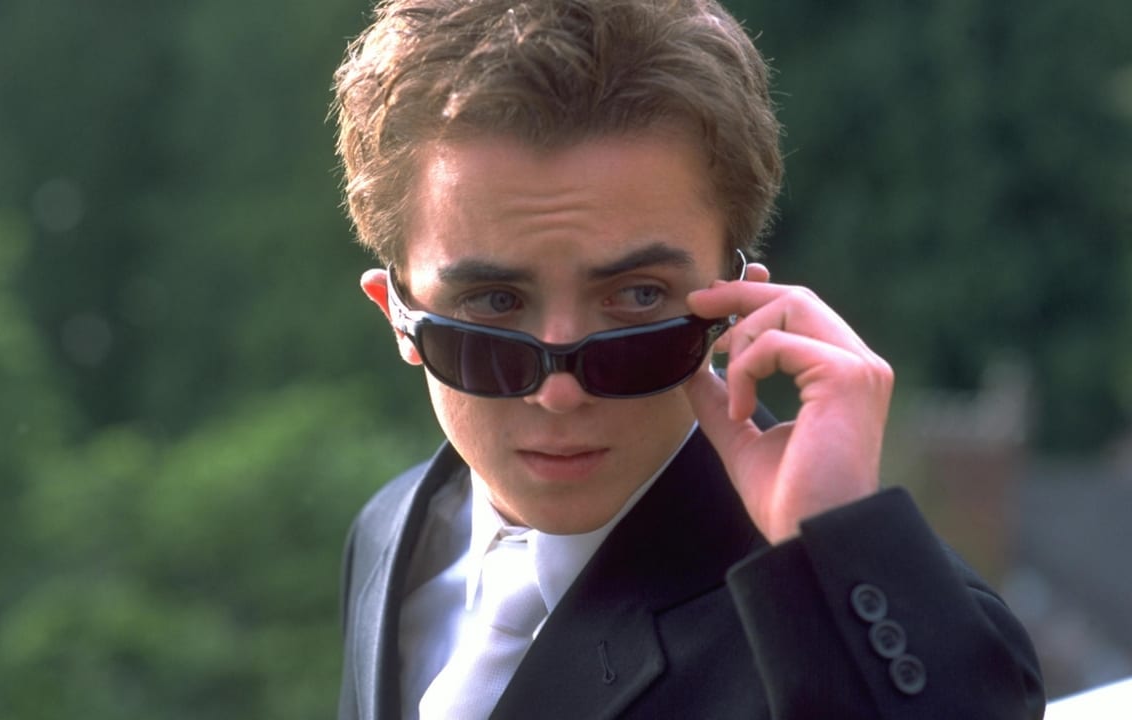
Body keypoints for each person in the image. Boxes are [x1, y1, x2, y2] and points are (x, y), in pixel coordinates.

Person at [332, 1, 1045, 717]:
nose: (560, 392)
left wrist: (833, 542)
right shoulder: (393, 531)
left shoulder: (872, 623)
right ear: (396, 314)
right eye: (493, 303)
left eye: (637, 296)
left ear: (736, 303)